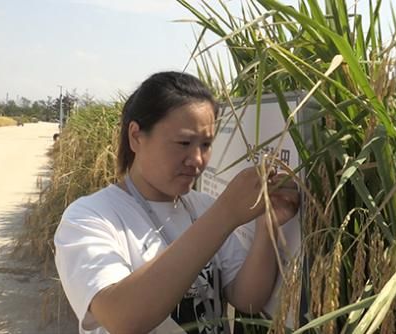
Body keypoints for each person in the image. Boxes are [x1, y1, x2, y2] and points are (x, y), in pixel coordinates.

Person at [54, 71, 300, 334]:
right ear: (136, 136)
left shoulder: (203, 206)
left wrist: (267, 226)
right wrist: (226, 214)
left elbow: (246, 299)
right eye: (183, 143)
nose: (196, 159)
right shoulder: (90, 217)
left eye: (206, 144)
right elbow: (121, 318)